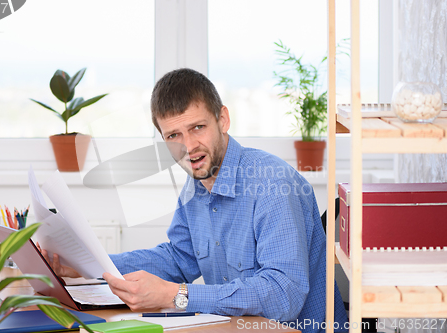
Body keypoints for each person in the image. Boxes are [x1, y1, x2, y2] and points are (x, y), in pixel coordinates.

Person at [42, 68, 348, 332]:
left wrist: (178, 295)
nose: (188, 147)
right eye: (173, 136)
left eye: (197, 128)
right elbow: (177, 258)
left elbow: (283, 296)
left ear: (223, 119)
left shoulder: (272, 184)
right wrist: (90, 264)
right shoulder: (196, 187)